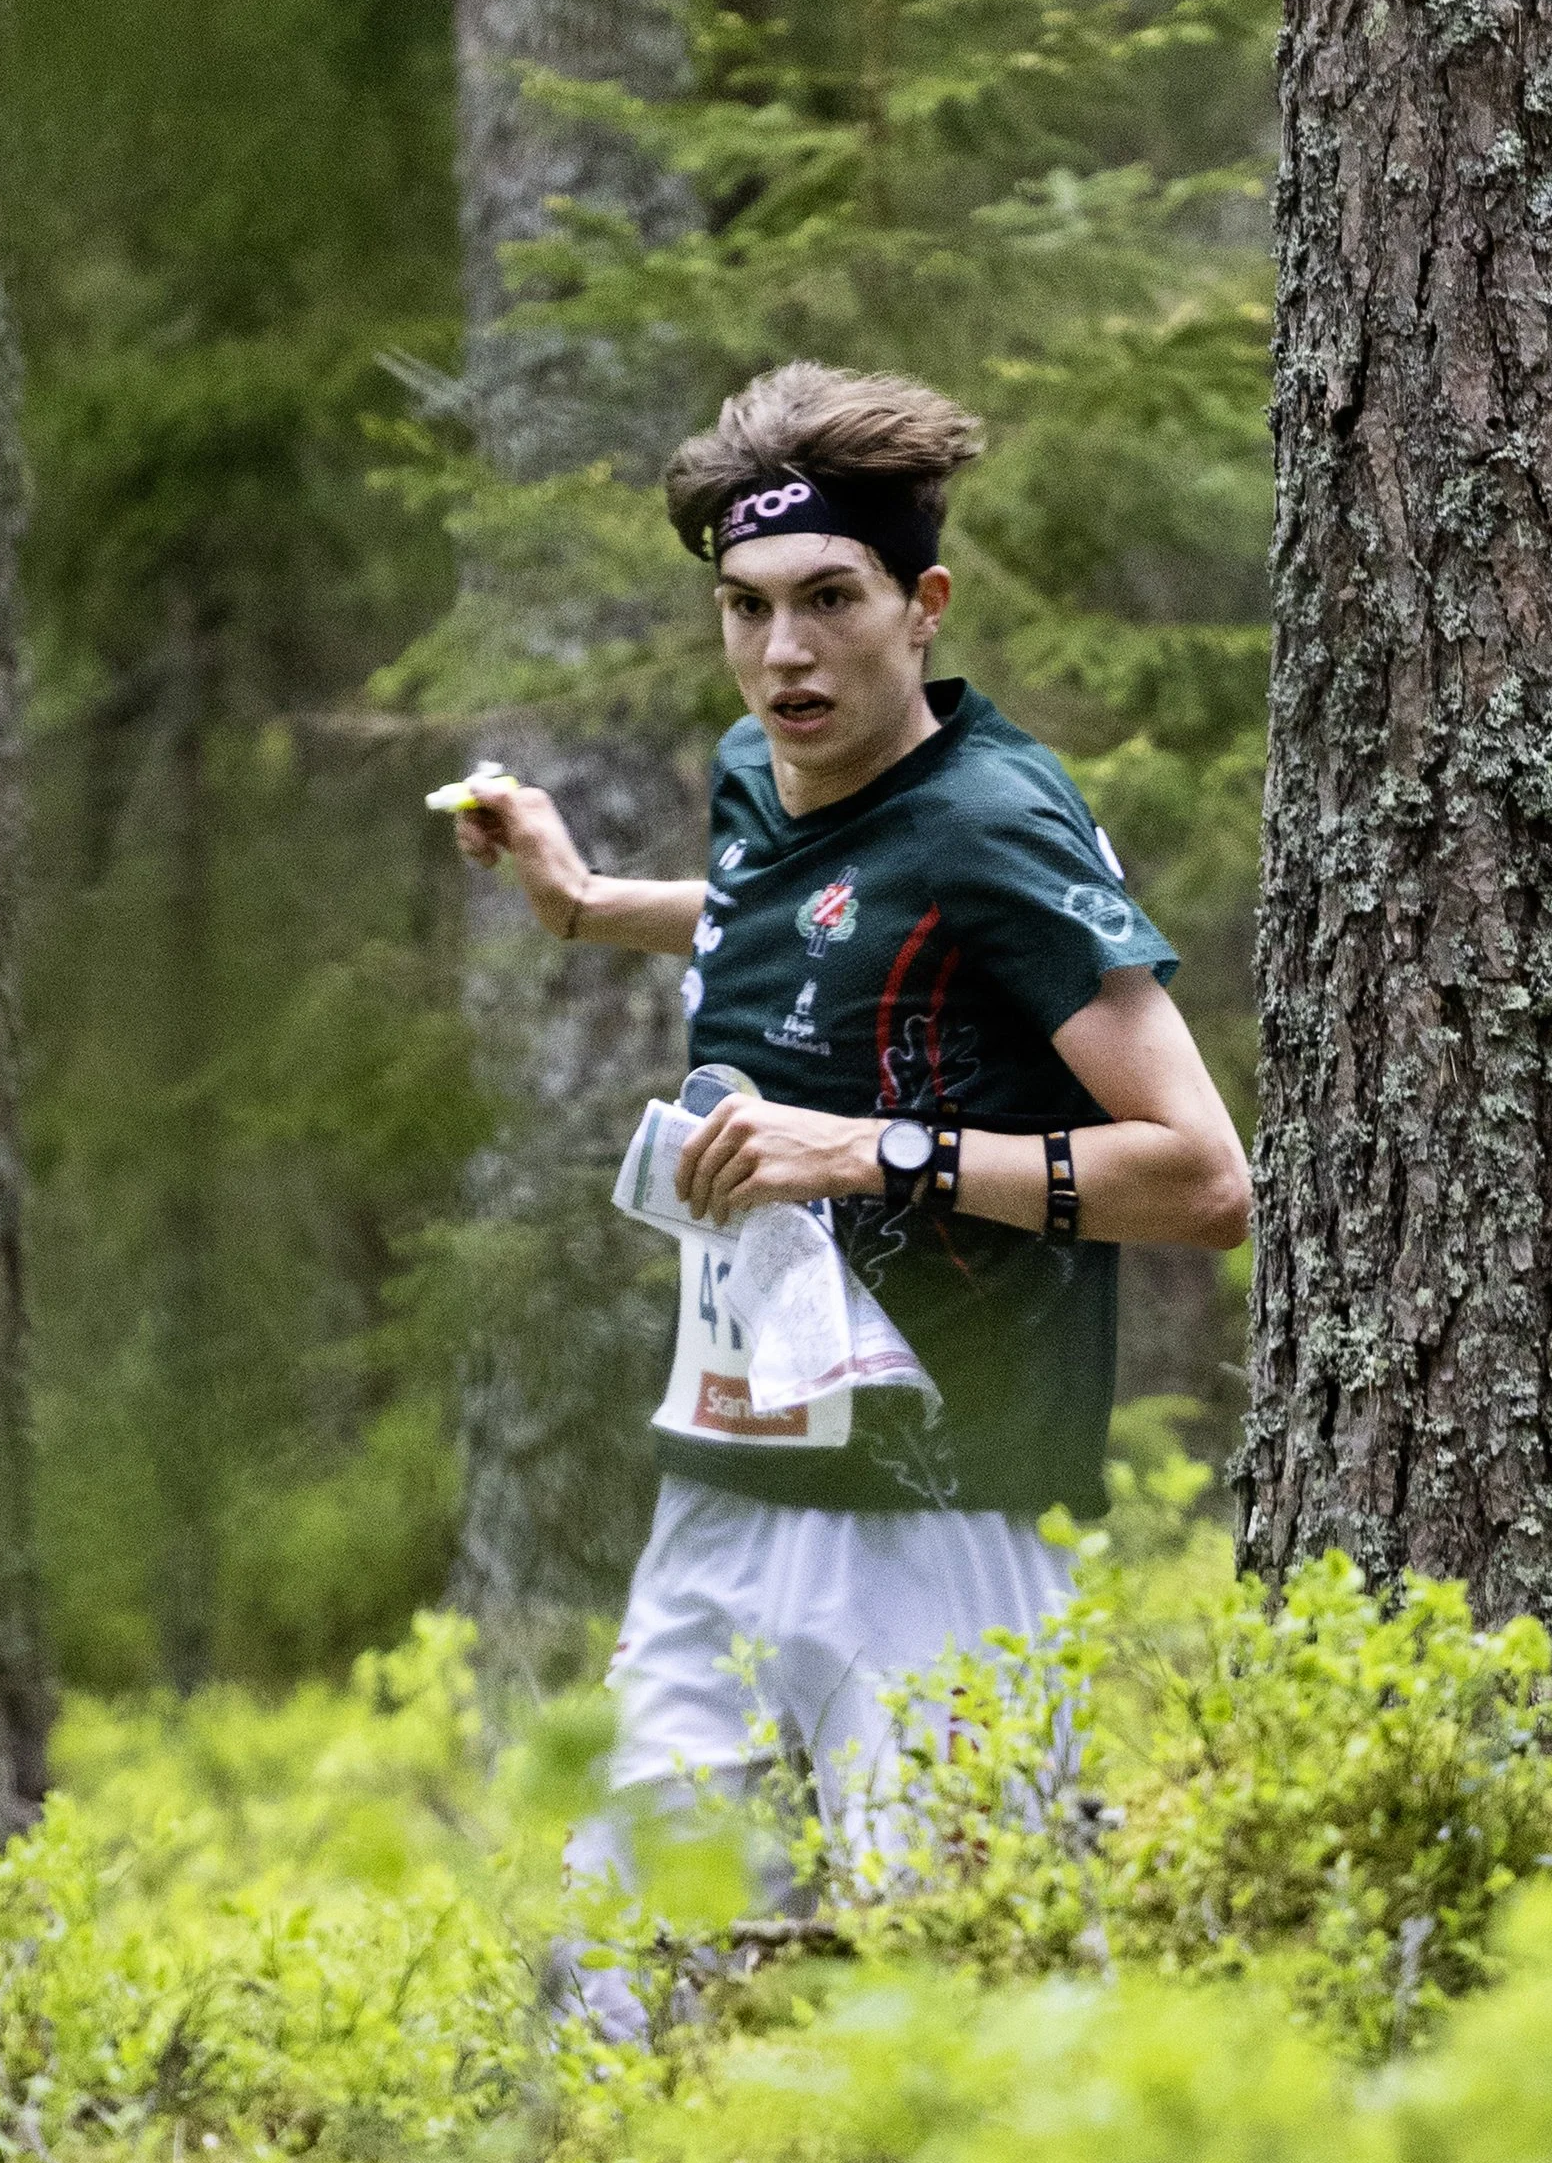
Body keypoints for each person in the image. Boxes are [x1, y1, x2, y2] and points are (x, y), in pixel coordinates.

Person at [456, 361, 1250, 1996]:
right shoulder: (760, 773)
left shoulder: (994, 829)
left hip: (945, 1507)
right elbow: (797, 904)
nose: (784, 655)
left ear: (923, 603)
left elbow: (1200, 1177)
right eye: (746, 608)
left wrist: (869, 1152)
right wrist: (590, 901)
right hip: (733, 1467)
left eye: (831, 600)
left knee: (987, 1976)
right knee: (617, 1968)